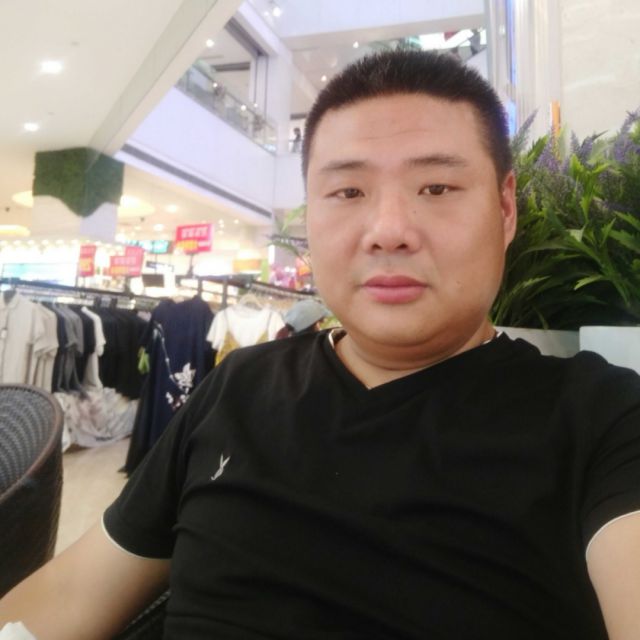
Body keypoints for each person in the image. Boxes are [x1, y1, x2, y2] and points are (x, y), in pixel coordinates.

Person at [2, 49, 640, 640]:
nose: (388, 230)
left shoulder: (602, 420)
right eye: (348, 192)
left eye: (437, 188)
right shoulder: (238, 387)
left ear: (505, 210)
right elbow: (72, 594)